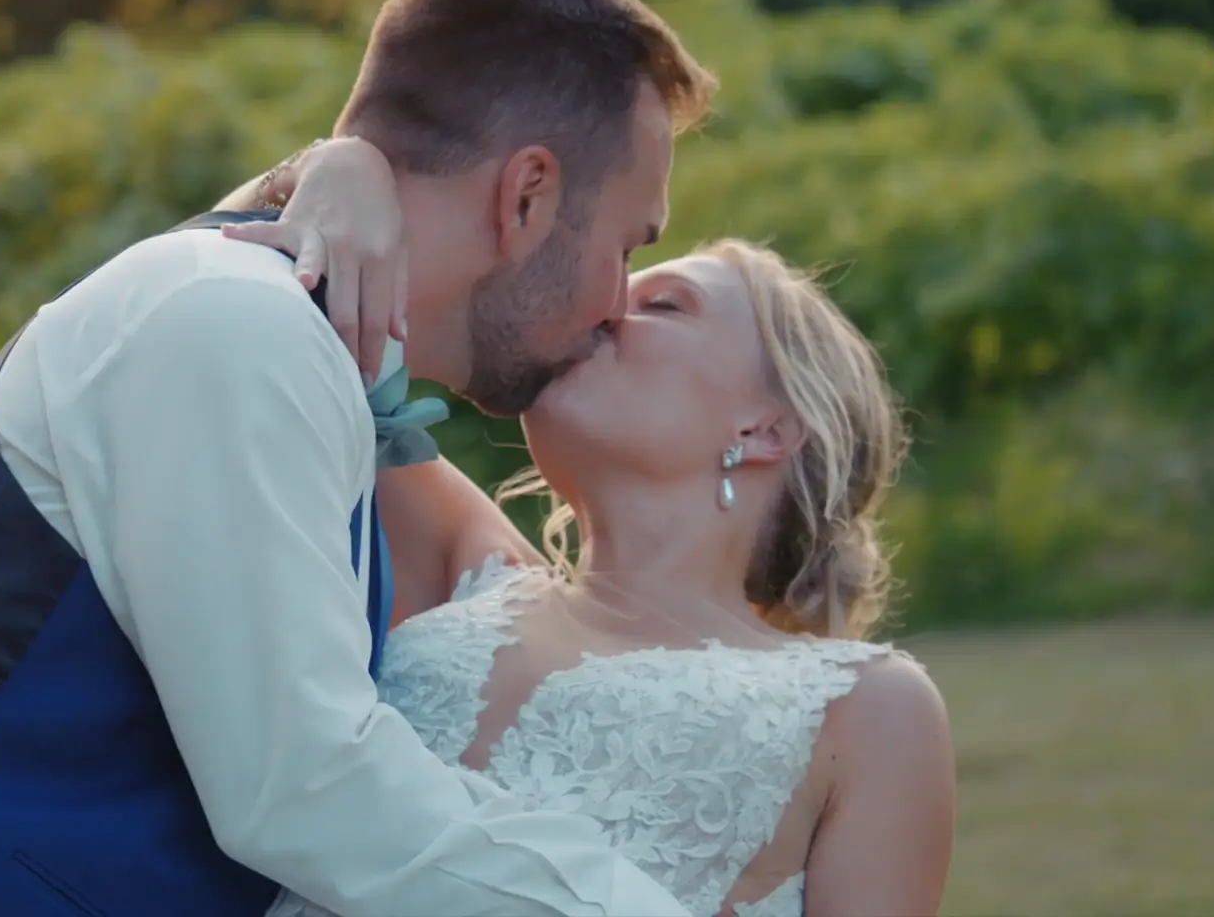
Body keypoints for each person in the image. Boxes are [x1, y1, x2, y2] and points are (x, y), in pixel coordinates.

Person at [0, 0, 715, 917]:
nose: (623, 297)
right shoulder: (234, 328)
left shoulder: (293, 335)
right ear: (526, 196)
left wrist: (329, 166)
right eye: (627, 243)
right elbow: (306, 788)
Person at [234, 144, 958, 917]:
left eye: (664, 303)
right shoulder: (471, 565)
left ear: (769, 426)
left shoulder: (866, 710)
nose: (600, 305)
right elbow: (220, 306)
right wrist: (344, 165)